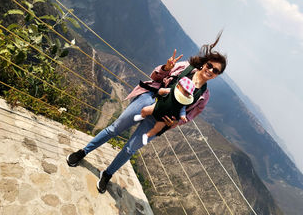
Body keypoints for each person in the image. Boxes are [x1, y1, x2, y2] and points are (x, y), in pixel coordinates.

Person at [66, 33, 227, 194]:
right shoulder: (185, 67)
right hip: (149, 100)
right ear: (204, 64)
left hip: (160, 121)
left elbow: (190, 116)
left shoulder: (204, 96)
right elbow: (155, 76)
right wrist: (166, 68)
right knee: (114, 129)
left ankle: (107, 174)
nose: (211, 70)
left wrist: (175, 123)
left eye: (215, 70)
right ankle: (83, 152)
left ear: (217, 75)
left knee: (130, 149)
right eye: (210, 66)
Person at [133, 76, 196, 145]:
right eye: (185, 91)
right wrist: (162, 91)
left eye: (188, 93)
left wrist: (183, 116)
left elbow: (182, 110)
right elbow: (161, 91)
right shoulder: (170, 90)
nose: (186, 94)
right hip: (157, 107)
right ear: (178, 87)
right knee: (145, 110)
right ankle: (142, 116)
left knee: (157, 129)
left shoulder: (184, 102)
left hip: (164, 118)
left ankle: (146, 136)